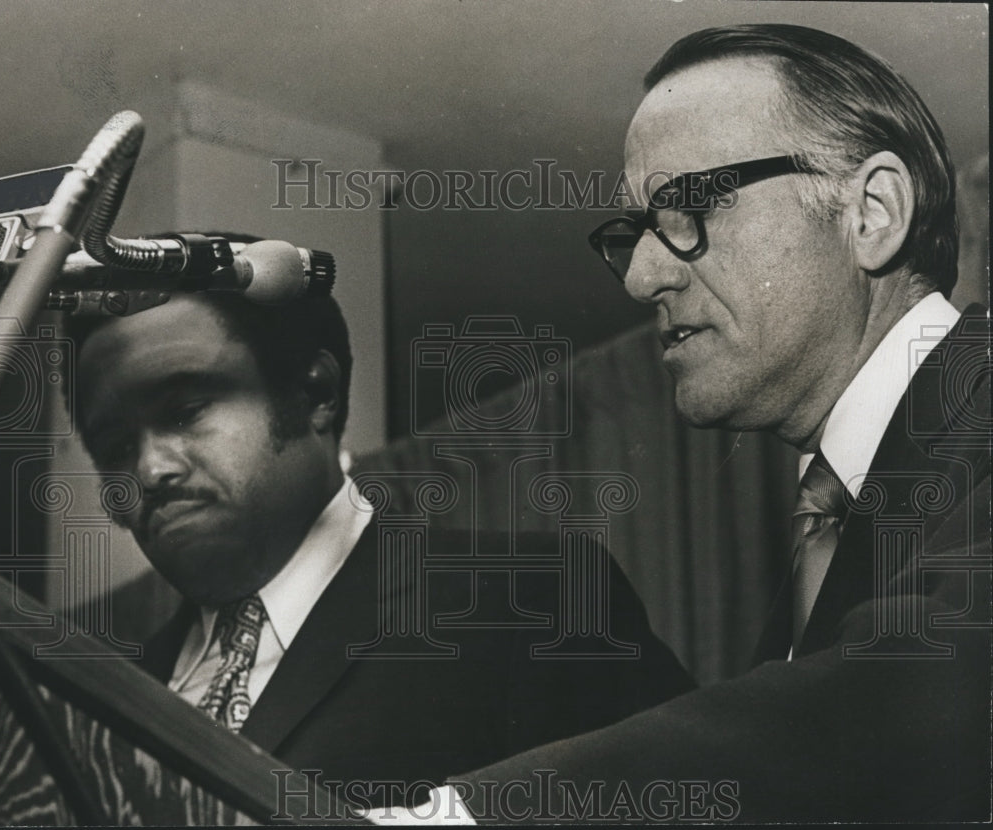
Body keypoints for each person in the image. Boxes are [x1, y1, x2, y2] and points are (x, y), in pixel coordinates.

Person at [375, 23, 990, 824]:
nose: (642, 275)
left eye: (691, 206)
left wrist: (460, 818)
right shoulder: (838, 519)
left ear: (871, 212)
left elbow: (920, 680)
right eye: (634, 232)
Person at [66, 255, 695, 812]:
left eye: (185, 411)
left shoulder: (531, 603)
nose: (149, 469)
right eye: (115, 447)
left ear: (316, 393)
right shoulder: (100, 704)